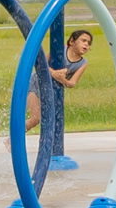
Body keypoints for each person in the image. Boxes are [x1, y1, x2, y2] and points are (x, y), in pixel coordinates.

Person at [33, 24, 96, 173]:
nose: (86, 44)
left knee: (48, 119)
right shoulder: (59, 50)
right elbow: (40, 65)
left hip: (52, 91)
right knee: (36, 118)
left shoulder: (83, 63)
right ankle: (14, 141)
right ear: (72, 42)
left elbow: (72, 83)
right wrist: (54, 73)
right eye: (83, 40)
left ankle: (16, 143)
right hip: (36, 85)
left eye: (88, 43)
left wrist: (62, 79)